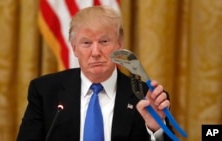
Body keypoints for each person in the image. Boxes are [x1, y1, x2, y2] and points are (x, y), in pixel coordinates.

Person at [17, 6, 173, 141]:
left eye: (104, 41)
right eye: (86, 43)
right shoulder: (46, 91)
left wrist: (156, 129)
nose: (96, 52)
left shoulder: (145, 97)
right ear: (74, 48)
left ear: (119, 45)